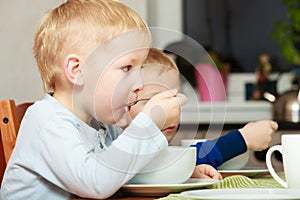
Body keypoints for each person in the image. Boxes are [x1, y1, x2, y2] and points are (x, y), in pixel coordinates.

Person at [1, 1, 187, 200]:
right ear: (77, 71)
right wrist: (148, 125)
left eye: (140, 70)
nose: (140, 83)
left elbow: (124, 172)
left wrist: (180, 172)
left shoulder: (101, 126)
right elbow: (95, 183)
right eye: (127, 68)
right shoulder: (46, 120)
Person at [119, 48, 278, 176]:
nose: (170, 113)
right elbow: (192, 156)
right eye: (154, 103)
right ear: (121, 110)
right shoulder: (117, 150)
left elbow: (162, 165)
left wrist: (190, 172)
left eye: (174, 100)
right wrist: (243, 139)